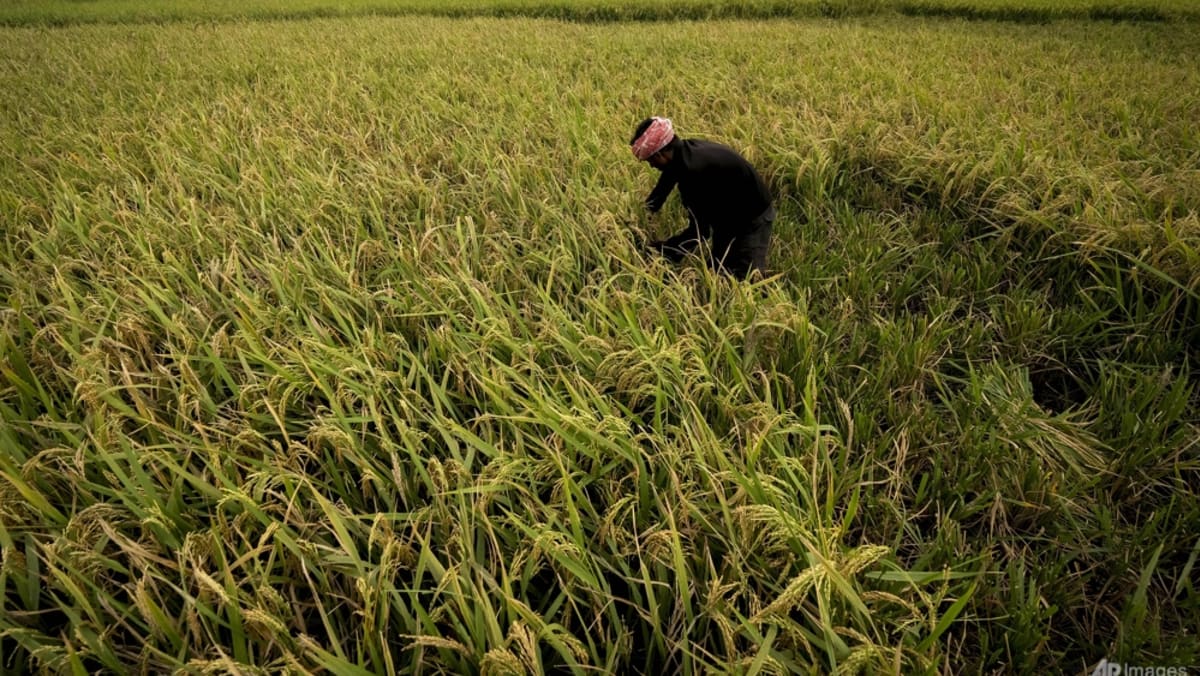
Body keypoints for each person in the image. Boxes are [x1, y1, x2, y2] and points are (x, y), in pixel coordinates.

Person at [630, 116, 775, 279]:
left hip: (753, 215)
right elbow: (665, 184)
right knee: (718, 268)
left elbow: (699, 232)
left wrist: (664, 250)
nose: (651, 165)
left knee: (746, 275)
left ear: (659, 154)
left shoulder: (694, 172)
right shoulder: (683, 152)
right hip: (729, 209)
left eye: (650, 161)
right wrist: (645, 212)